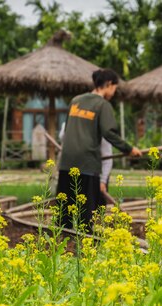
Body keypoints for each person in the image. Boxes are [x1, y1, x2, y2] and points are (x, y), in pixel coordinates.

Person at [57, 68, 142, 230]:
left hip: (66, 162)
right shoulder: (102, 105)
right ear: (109, 84)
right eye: (115, 88)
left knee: (65, 209)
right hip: (87, 163)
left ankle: (63, 241)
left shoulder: (75, 101)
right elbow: (108, 132)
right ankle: (84, 242)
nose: (114, 93)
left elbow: (66, 131)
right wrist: (129, 149)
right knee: (86, 211)